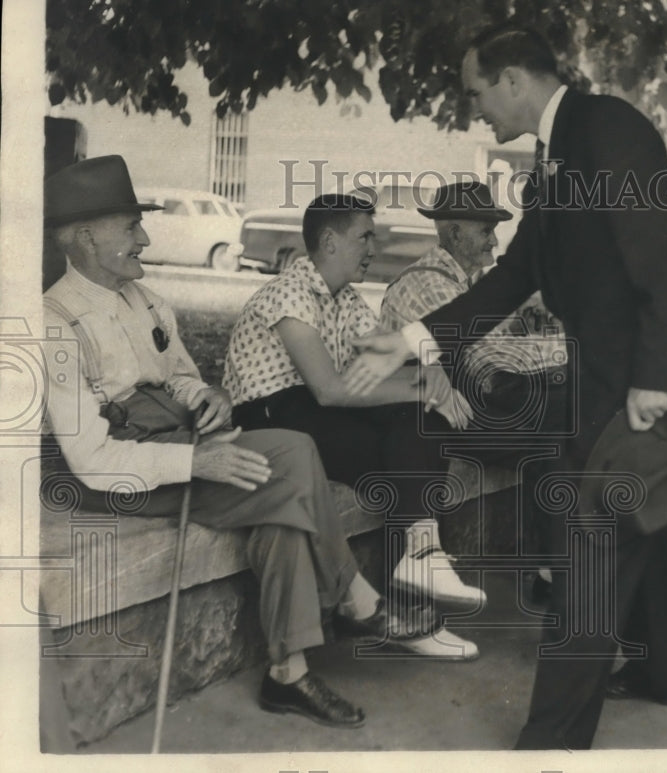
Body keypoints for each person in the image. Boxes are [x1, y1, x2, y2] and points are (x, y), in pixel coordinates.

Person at [343, 24, 667, 749]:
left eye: (478, 92)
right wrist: (412, 337)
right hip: (614, 381)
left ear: (515, 80)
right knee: (626, 528)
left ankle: (550, 744)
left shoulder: (608, 127)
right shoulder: (560, 151)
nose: (476, 109)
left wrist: (651, 383)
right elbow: (515, 274)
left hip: (643, 384)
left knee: (589, 557)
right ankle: (663, 675)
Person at [41, 155, 413, 729]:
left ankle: (289, 674)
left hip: (174, 439)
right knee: (291, 453)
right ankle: (352, 598)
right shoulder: (54, 321)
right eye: (130, 227)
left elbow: (184, 375)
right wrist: (199, 459)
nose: (145, 238)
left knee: (281, 502)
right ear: (86, 238)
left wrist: (205, 397)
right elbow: (90, 459)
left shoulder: (145, 300)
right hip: (112, 477)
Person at [223, 193, 482, 660]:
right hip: (272, 418)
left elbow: (388, 356)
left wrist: (432, 375)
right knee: (411, 450)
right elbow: (329, 390)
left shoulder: (346, 300)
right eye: (365, 236)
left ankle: (416, 577)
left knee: (418, 430)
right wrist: (426, 389)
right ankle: (411, 602)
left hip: (317, 413)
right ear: (329, 241)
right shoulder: (289, 293)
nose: (373, 248)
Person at [379, 180, 568, 603]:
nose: (495, 240)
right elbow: (492, 359)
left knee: (560, 437)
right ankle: (555, 575)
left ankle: (552, 575)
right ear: (454, 232)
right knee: (567, 414)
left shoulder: (461, 282)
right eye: (485, 230)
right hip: (440, 415)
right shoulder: (427, 284)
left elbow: (515, 344)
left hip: (469, 404)